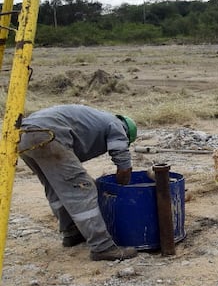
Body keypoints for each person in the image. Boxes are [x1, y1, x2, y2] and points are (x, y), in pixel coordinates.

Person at [17, 104, 139, 261]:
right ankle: (102, 247)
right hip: (47, 134)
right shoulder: (117, 125)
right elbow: (123, 165)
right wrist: (122, 188)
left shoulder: (96, 119)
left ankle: (71, 233)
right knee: (82, 189)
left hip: (22, 135)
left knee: (55, 186)